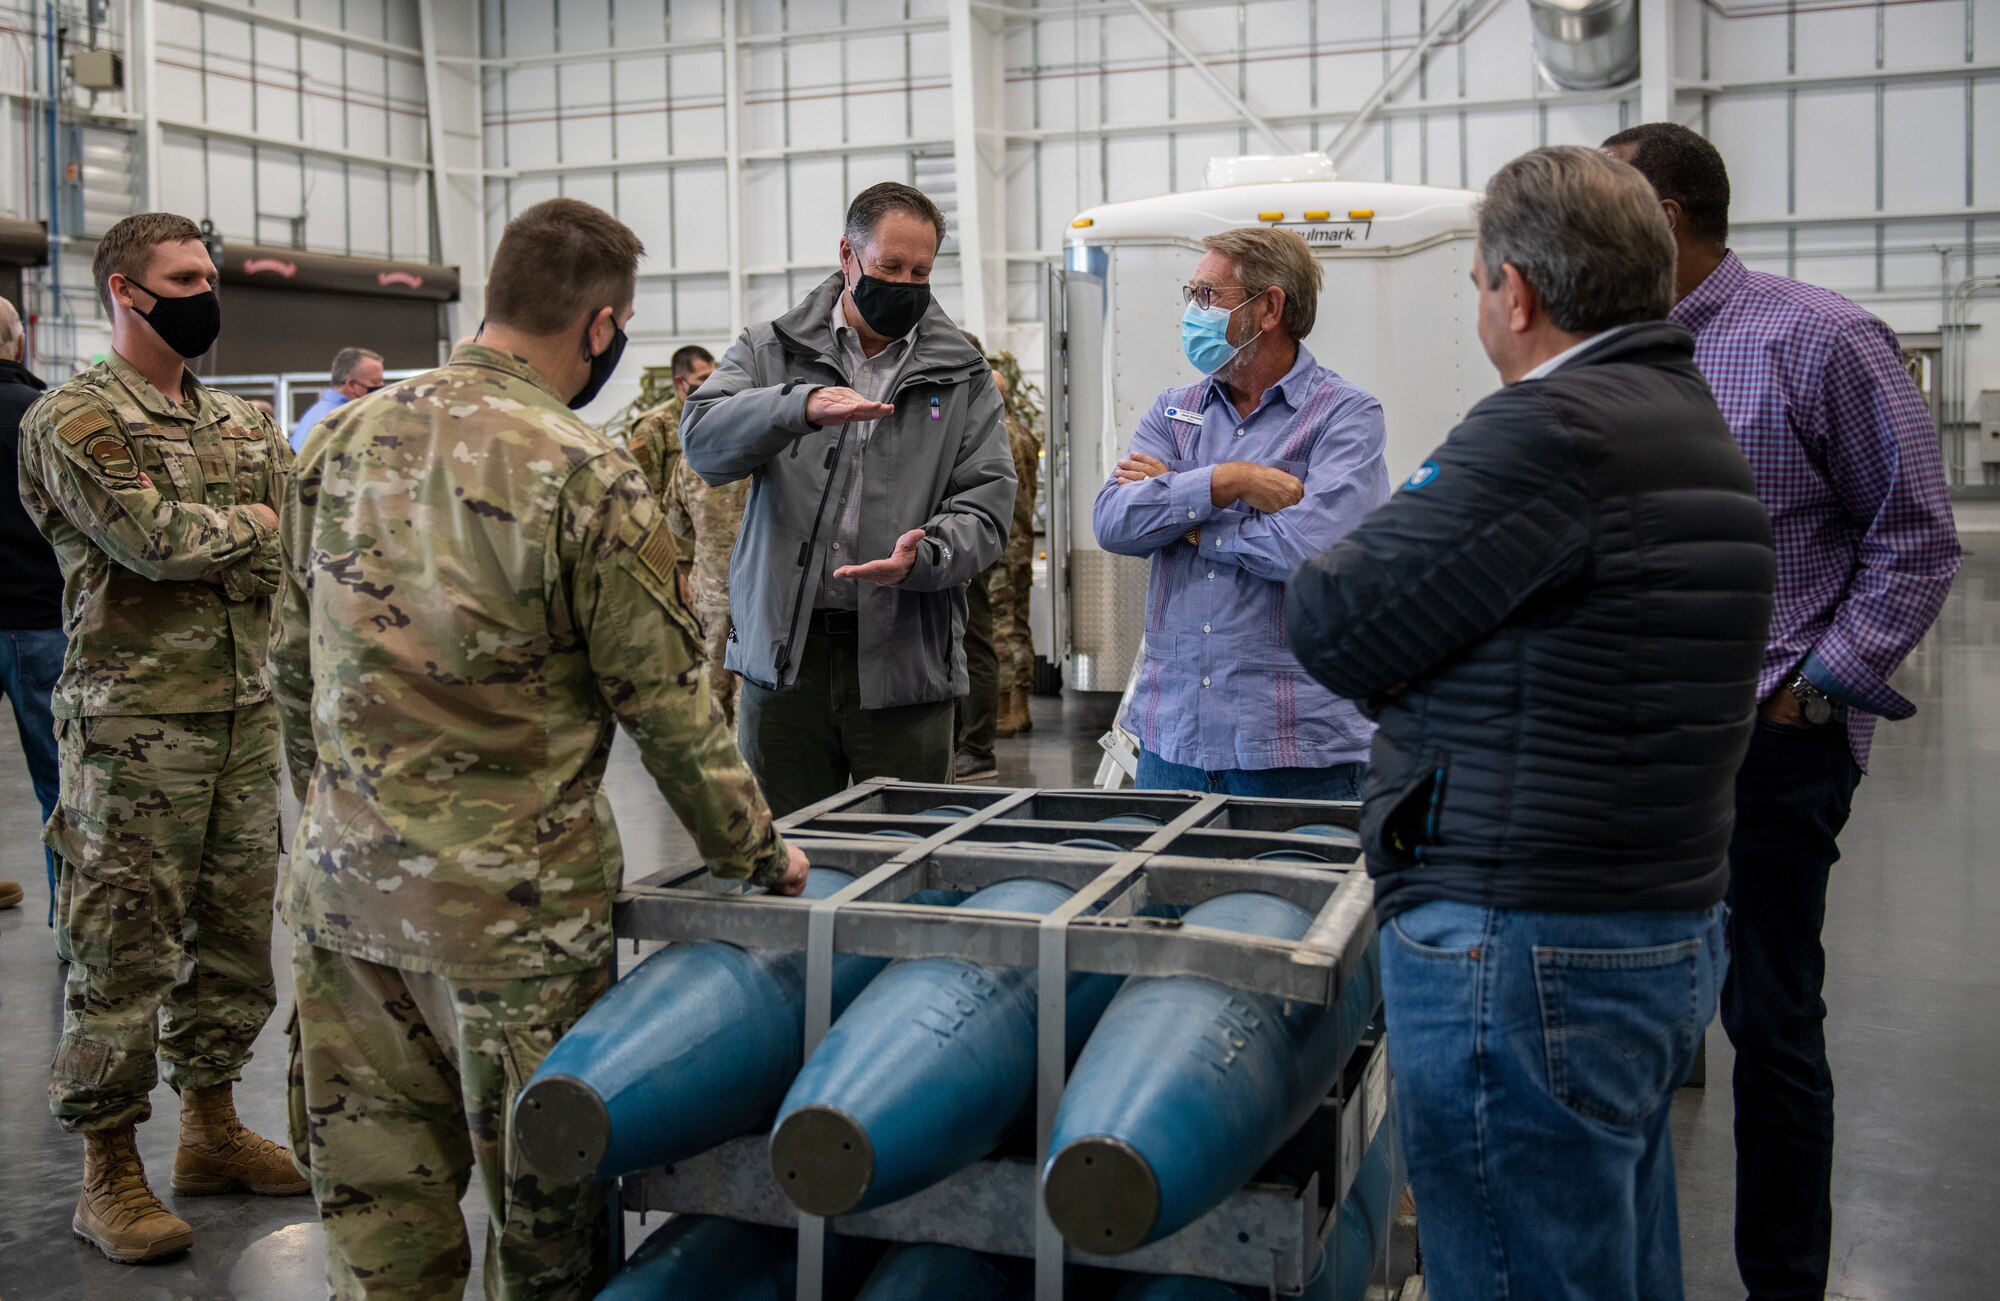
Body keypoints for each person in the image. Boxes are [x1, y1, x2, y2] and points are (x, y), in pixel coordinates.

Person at [271, 196, 808, 1301]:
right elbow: (666, 707)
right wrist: (761, 855)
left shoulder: (342, 436)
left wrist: (336, 821)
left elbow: (290, 664)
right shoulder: (583, 470)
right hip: (510, 928)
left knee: (377, 1234)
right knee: (545, 1236)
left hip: (346, 907)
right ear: (601, 325)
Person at [1286, 146, 1775, 1299]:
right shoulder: (1679, 413)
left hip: (1521, 938)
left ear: (1517, 290)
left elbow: (1333, 612)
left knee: (1513, 1267)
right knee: (1610, 1259)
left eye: (1472, 283)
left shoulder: (1542, 431)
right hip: (1650, 917)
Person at [1605, 121, 1963, 1301]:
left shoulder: (1817, 339)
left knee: (1768, 1020)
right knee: (1622, 1017)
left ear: (1659, 220)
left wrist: (1814, 690)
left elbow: (1912, 536)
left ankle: (1783, 1281)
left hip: (1768, 742)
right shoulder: (1611, 351)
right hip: (1628, 744)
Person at [18, 212, 305, 1264]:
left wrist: (239, 540)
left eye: (208, 273)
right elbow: (147, 540)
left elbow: (286, 544)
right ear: (126, 292)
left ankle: (213, 1128)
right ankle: (107, 1171)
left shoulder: (237, 422)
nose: (204, 290)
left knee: (233, 942)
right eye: (183, 276)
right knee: (120, 947)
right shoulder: (72, 418)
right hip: (132, 731)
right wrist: (250, 532)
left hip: (241, 716)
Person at [681, 182, 1014, 817]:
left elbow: (988, 503)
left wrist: (928, 555)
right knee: (788, 854)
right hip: (786, 662)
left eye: (921, 271)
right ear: (848, 256)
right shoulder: (769, 350)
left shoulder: (963, 374)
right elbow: (702, 440)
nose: (906, 284)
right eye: (891, 267)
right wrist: (795, 406)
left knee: (912, 858)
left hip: (905, 661)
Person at [1094, 225, 1388, 799]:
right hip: (1172, 742)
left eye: (1209, 295)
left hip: (1294, 751)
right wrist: (1229, 482)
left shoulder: (1346, 416)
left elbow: (1309, 550)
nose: (1193, 311)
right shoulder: (1174, 411)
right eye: (1192, 294)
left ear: (1269, 307)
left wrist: (1188, 516)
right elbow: (1113, 522)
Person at [654, 346, 755, 729]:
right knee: (752, 689)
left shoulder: (690, 456)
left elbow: (676, 524)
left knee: (709, 690)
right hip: (755, 590)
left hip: (709, 591)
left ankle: (720, 778)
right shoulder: (764, 449)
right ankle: (748, 772)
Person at [0, 295, 54, 921]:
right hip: (38, 619)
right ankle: (68, 917)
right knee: (60, 784)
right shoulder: (43, 416)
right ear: (17, 343)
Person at [952, 331, 1005, 783]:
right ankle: (959, 741)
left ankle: (977, 746)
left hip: (967, 543)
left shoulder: (981, 411)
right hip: (938, 543)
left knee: (974, 642)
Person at [624, 344, 714, 596]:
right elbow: (640, 498)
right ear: (680, 382)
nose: (710, 384)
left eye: (713, 376)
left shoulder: (714, 417)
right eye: (702, 378)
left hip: (713, 553)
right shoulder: (654, 427)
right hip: (677, 558)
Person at [989, 357, 1042, 739]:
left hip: (1001, 545)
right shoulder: (1022, 432)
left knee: (1000, 629)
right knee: (1018, 625)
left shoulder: (996, 434)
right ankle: (1020, 707)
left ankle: (1005, 710)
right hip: (1021, 543)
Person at [289, 345, 383, 449]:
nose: (381, 388)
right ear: (351, 385)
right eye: (375, 382)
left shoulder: (314, 413)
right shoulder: (345, 419)